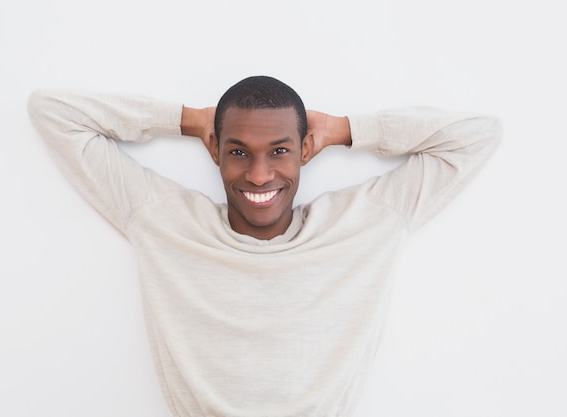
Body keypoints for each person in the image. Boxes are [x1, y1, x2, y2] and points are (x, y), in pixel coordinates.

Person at [27, 75, 501, 417]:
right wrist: (193, 121)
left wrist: (343, 128)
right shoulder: (164, 221)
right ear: (214, 150)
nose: (258, 175)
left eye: (279, 151)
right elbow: (53, 111)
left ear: (305, 151)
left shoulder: (364, 224)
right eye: (237, 151)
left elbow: (477, 135)